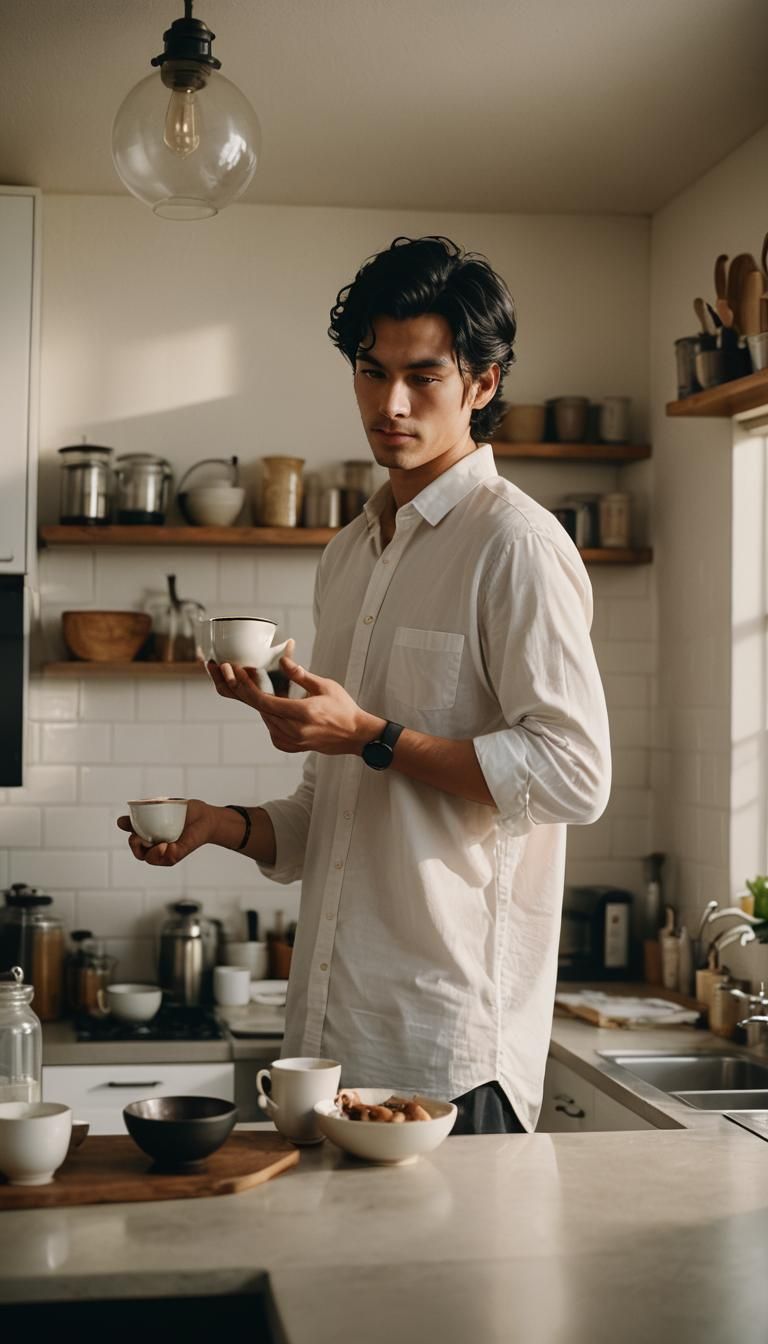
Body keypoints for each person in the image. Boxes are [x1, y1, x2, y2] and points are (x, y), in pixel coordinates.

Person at [118, 236, 611, 1135]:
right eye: (370, 370)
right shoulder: (350, 555)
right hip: (329, 1040)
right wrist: (220, 826)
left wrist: (372, 734)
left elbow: (576, 775)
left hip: (449, 1054)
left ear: (483, 384)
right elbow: (328, 818)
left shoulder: (517, 547)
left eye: (424, 376)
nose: (390, 404)